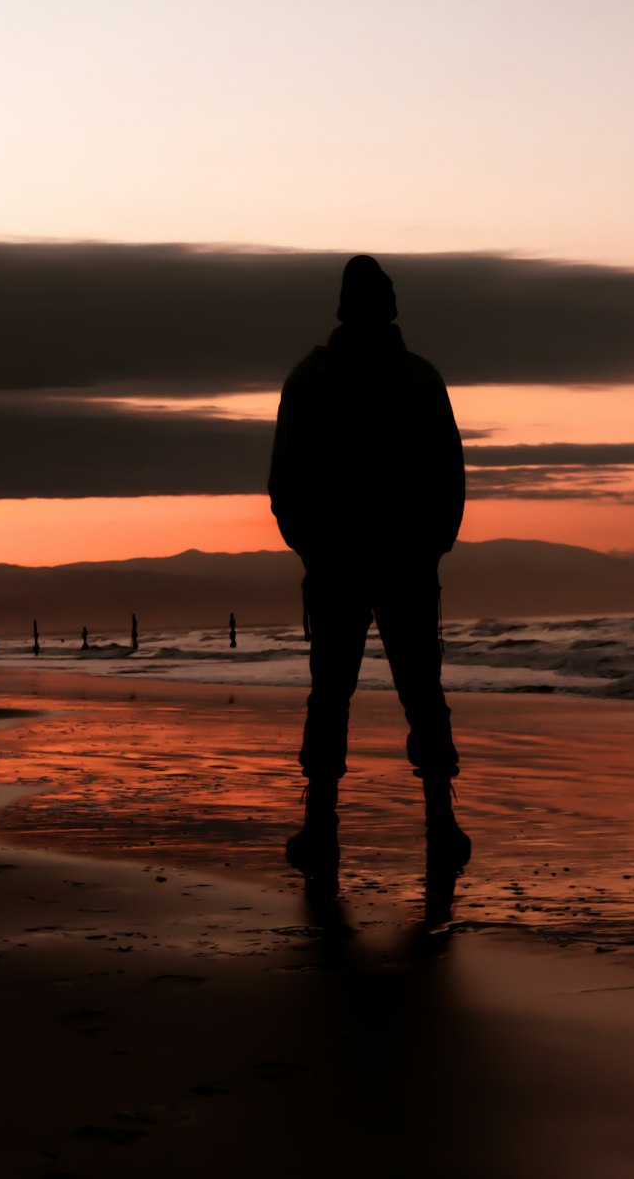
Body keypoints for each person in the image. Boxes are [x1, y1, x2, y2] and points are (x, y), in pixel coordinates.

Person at [269, 255, 471, 877]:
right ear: (389, 311)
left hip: (342, 560)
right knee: (420, 690)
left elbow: (285, 485)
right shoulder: (419, 379)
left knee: (331, 693)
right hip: (403, 558)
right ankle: (440, 823)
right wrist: (432, 543)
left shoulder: (311, 380)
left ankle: (321, 827)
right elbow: (450, 478)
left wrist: (313, 546)